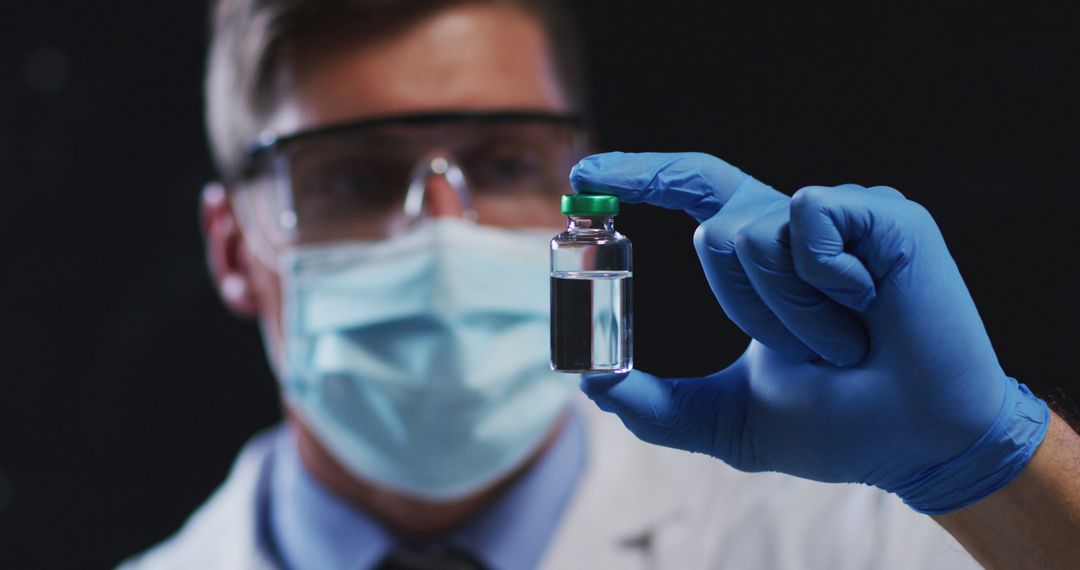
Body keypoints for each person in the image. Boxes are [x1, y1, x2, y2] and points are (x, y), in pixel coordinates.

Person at [120, 0, 1078, 568]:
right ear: (231, 246)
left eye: (502, 165)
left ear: (588, 183)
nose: (444, 235)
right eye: (355, 178)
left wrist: (989, 465)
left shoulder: (854, 540)